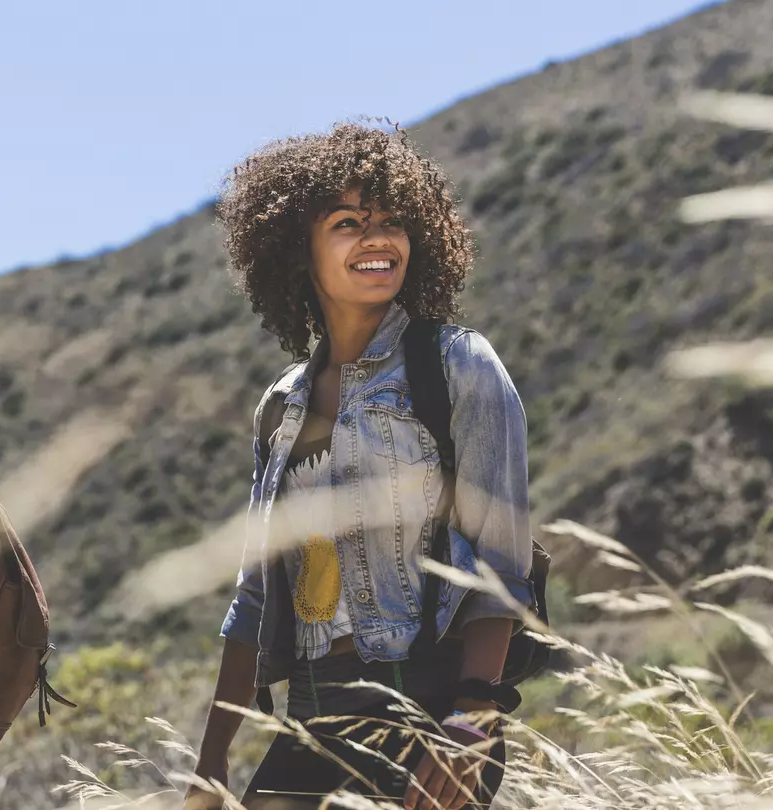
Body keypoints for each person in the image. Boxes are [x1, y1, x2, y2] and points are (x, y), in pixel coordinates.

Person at [188, 123, 535, 810]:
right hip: (314, 717)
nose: (378, 240)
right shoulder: (280, 406)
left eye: (393, 222)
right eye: (348, 223)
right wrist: (211, 761)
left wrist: (473, 717)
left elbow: (499, 563)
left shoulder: (459, 366)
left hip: (433, 712)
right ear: (298, 251)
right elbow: (255, 597)